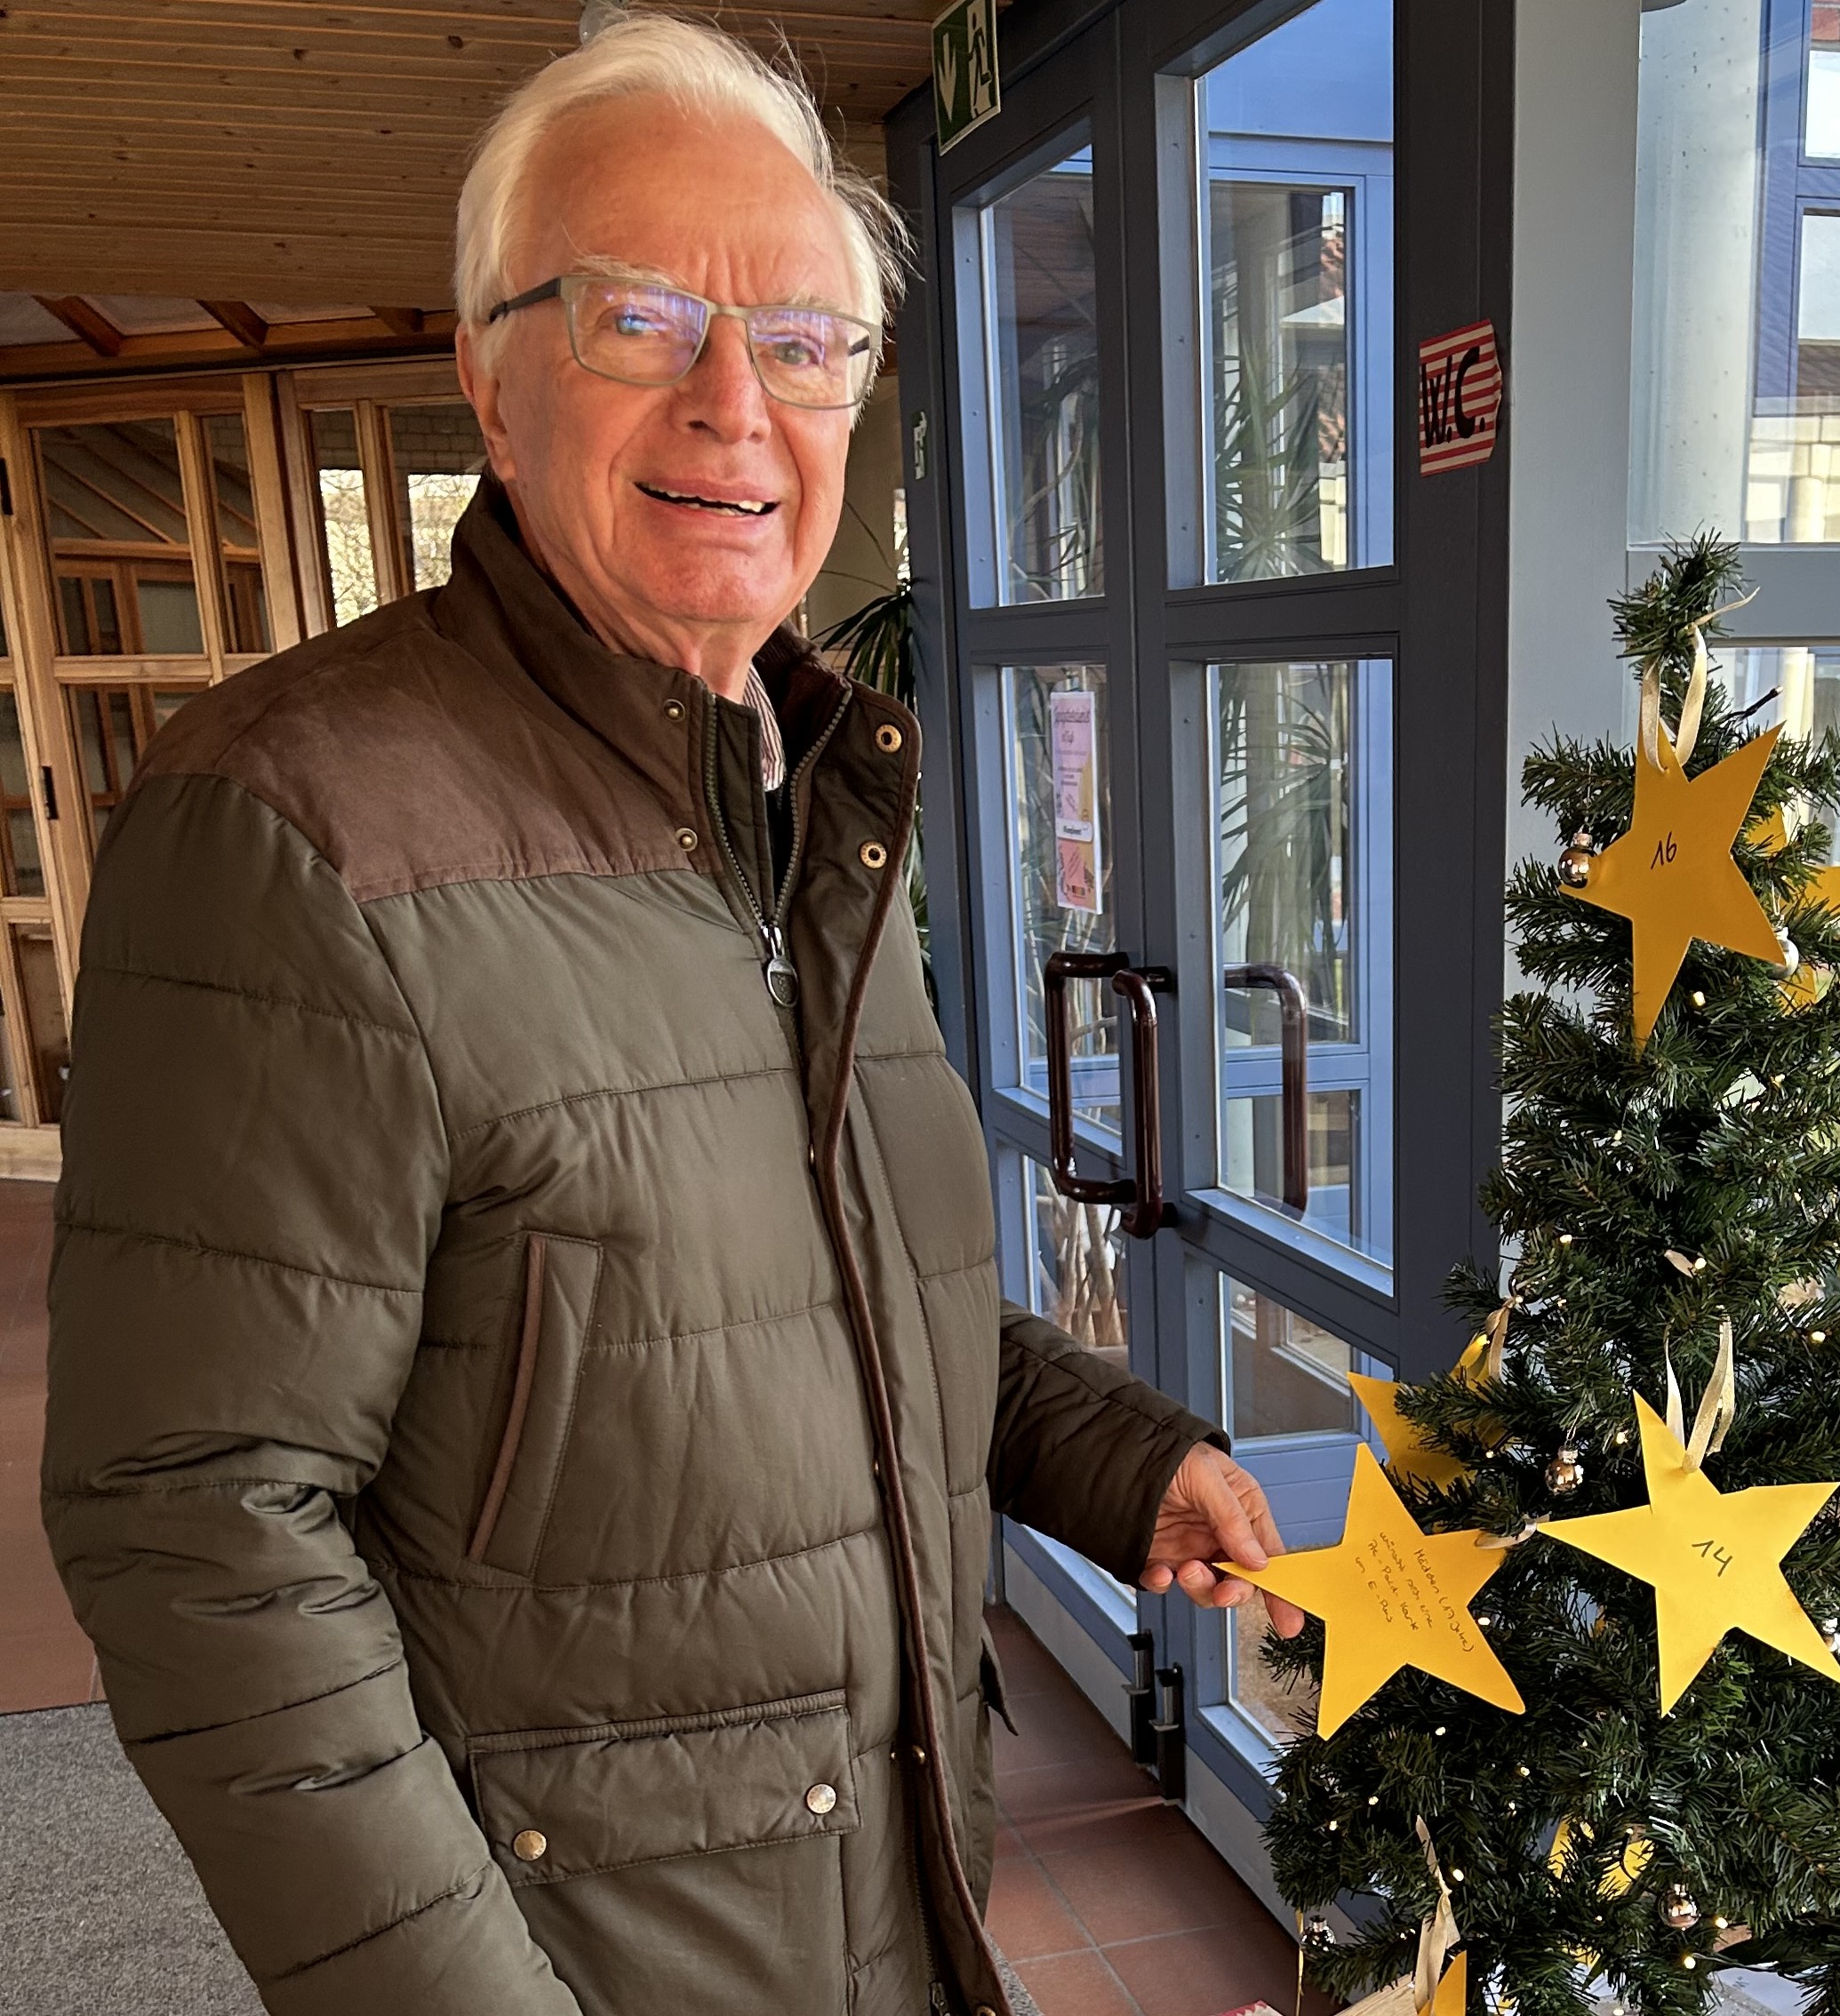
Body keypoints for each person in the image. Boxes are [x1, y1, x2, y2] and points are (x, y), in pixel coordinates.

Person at [41, 15, 1301, 2016]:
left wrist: (1116, 1456)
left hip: (889, 1894)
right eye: (640, 317)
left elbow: (826, 1294)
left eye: (804, 344)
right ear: (493, 376)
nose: (737, 404)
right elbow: (203, 1533)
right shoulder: (298, 825)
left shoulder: (807, 795)